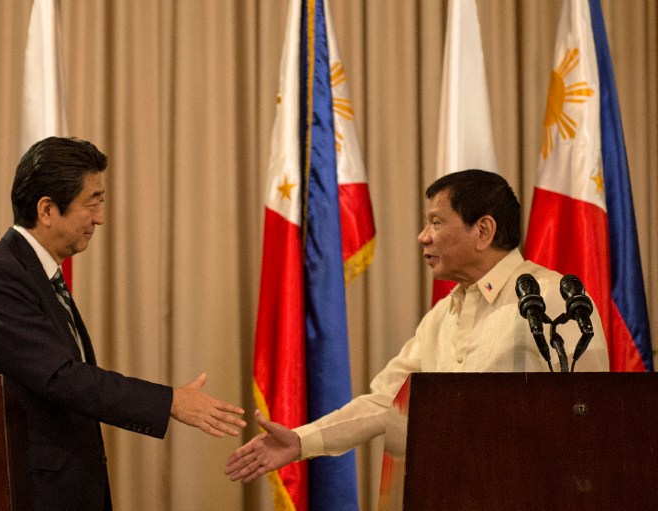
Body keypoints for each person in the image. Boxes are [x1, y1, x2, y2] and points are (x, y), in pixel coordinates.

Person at [225, 169, 609, 484]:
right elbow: (385, 402)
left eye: (436, 222)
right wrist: (300, 441)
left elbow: (592, 414)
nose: (423, 236)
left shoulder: (551, 296)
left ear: (483, 231)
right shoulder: (442, 316)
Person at [0, 137, 246, 510]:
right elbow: (61, 377)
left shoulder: (36, 272)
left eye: (101, 202)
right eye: (91, 202)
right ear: (47, 209)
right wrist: (169, 401)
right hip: (34, 493)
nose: (100, 217)